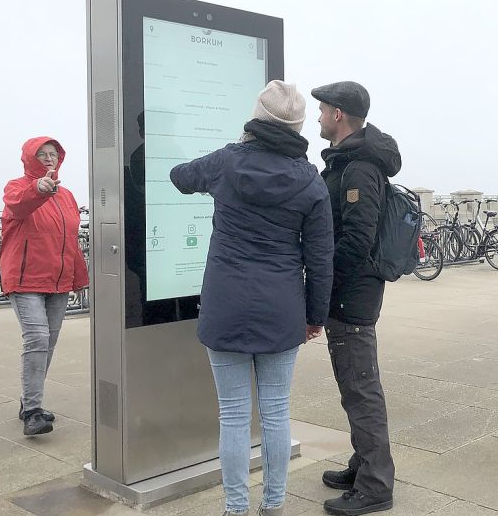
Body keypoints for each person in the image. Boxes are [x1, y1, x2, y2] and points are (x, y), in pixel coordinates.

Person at [169, 80, 334, 516]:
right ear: (297, 126)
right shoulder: (310, 181)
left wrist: (228, 154)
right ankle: (274, 505)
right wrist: (315, 315)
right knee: (277, 413)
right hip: (282, 307)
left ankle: (235, 508)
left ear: (257, 120)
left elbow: (179, 177)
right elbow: (320, 259)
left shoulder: (226, 162)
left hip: (225, 302)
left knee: (233, 416)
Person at [313, 81, 400, 516]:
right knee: (354, 386)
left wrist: (325, 284)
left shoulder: (359, 168)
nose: (318, 117)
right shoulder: (348, 161)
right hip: (349, 294)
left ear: (339, 115)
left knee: (362, 388)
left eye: (323, 110)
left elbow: (357, 239)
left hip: (353, 296)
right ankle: (362, 463)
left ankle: (376, 486)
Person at [0, 137, 88, 436]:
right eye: (42, 154)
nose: (49, 158)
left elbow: (70, 240)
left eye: (53, 154)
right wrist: (39, 189)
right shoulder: (17, 187)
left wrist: (77, 277)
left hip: (58, 281)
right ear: (30, 158)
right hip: (25, 279)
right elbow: (20, 205)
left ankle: (29, 403)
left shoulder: (67, 196)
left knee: (47, 343)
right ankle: (34, 412)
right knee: (37, 337)